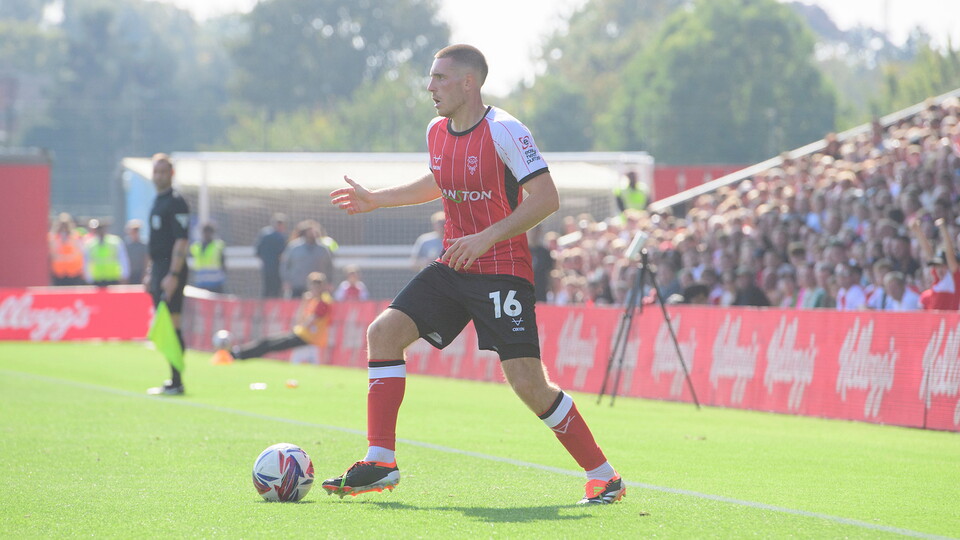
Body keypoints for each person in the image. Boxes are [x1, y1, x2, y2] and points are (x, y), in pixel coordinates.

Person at [324, 44, 624, 505]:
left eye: (440, 78)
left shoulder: (506, 130)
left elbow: (545, 199)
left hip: (502, 272)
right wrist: (376, 198)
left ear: (470, 83)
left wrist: (486, 238)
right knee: (383, 333)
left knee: (528, 383)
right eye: (431, 78)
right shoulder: (435, 130)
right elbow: (439, 179)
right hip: (453, 265)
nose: (430, 87)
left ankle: (604, 477)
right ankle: (381, 460)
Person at [146, 153, 191, 396]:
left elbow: (181, 240)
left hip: (172, 271)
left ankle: (177, 380)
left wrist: (173, 274)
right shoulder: (157, 201)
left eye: (163, 171)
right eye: (156, 171)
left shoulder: (176, 202)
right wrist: (151, 272)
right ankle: (173, 378)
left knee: (173, 325)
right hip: (159, 270)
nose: (159, 176)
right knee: (166, 325)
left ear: (171, 174)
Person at [228, 272, 333, 363]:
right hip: (302, 334)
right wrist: (304, 302)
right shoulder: (313, 301)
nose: (313, 289)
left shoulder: (323, 302)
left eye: (316, 286)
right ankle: (239, 353)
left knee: (268, 345)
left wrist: (300, 324)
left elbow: (307, 323)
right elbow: (300, 320)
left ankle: (238, 354)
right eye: (312, 286)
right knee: (267, 343)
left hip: (307, 338)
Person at [281, 219, 334, 298]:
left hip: (318, 288)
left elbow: (329, 266)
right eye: (310, 231)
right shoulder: (294, 247)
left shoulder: (323, 249)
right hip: (298, 286)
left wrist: (329, 281)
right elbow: (285, 265)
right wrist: (286, 281)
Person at [83, 218, 129, 286]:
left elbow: (123, 259)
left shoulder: (115, 242)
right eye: (98, 229)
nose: (100, 231)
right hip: (97, 279)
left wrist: (124, 275)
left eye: (102, 229)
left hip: (113, 277)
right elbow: (87, 262)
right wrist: (88, 278)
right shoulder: (90, 244)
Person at [255, 213, 287, 298]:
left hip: (266, 267)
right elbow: (282, 254)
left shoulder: (263, 234)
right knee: (276, 290)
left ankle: (264, 309)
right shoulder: (280, 236)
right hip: (277, 268)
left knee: (266, 289)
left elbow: (257, 252)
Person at [48, 213, 86, 286]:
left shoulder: (75, 236)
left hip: (73, 272)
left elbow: (78, 252)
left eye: (65, 224)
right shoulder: (53, 237)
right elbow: (53, 254)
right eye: (62, 224)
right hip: (58, 272)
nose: (63, 227)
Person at [190, 222, 227, 293]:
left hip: (216, 284)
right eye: (205, 232)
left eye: (209, 232)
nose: (207, 234)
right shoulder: (196, 247)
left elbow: (223, 263)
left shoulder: (218, 246)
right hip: (201, 283)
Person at [124, 219, 149, 285]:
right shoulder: (125, 245)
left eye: (137, 230)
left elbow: (147, 260)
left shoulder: (144, 245)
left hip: (140, 274)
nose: (135, 232)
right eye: (133, 230)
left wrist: (145, 274)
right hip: (129, 274)